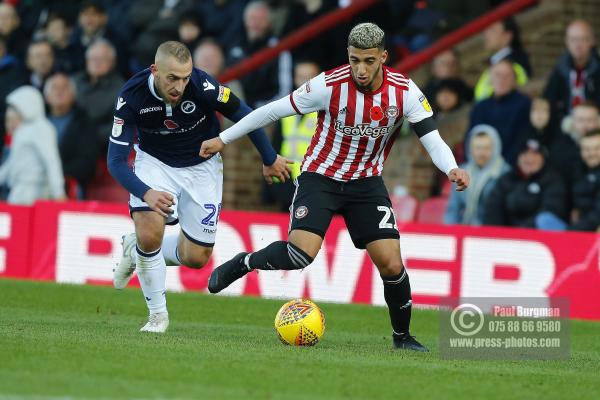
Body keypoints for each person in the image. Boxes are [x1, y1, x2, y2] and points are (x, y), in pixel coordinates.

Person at [200, 23, 469, 351]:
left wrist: (452, 167)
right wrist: (222, 138)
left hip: (366, 183)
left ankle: (403, 338)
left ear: (383, 57)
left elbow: (431, 136)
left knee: (391, 264)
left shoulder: (405, 92)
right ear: (348, 55)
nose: (360, 69)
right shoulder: (327, 85)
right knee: (300, 255)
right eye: (355, 60)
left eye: (369, 61)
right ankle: (245, 262)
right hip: (321, 177)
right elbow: (271, 111)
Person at [107, 41, 291, 333]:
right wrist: (146, 192)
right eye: (172, 78)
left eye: (185, 77)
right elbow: (115, 161)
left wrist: (269, 158)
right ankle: (157, 316)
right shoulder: (131, 96)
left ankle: (136, 250)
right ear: (155, 70)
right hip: (155, 163)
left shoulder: (203, 85)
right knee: (150, 231)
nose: (180, 86)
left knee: (196, 257)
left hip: (201, 167)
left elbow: (246, 114)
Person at [264, 60, 321, 211]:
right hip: (287, 181)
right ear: (295, 79)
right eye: (301, 77)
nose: (304, 83)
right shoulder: (286, 109)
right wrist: (269, 188)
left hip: (314, 182)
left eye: (309, 78)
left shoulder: (325, 111)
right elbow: (275, 147)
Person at [0, 86, 65, 204]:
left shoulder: (42, 128)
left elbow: (51, 160)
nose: (13, 112)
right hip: (17, 188)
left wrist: (58, 192)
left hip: (36, 190)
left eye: (16, 108)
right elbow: (12, 162)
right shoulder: (21, 131)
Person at [483, 137, 566, 229]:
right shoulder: (507, 179)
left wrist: (521, 234)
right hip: (506, 236)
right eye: (525, 154)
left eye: (535, 154)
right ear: (518, 157)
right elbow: (493, 209)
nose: (529, 159)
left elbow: (551, 211)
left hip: (538, 236)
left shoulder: (553, 180)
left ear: (543, 158)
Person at [44, 73, 99, 197]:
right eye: (55, 88)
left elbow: (87, 164)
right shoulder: (38, 122)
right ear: (46, 96)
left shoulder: (84, 123)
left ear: (73, 94)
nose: (59, 92)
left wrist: (55, 172)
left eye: (64, 88)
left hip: (69, 186)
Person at [467, 59, 531, 166]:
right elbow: (471, 139)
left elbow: (521, 140)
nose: (502, 80)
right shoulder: (480, 107)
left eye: (507, 76)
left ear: (514, 80)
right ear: (490, 79)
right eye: (497, 75)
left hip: (509, 166)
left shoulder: (524, 104)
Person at [444, 125, 509, 225]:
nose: (481, 153)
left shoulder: (505, 173)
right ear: (470, 149)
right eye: (477, 148)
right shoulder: (461, 172)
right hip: (463, 230)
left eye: (487, 148)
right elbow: (453, 210)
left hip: (492, 233)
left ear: (495, 148)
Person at [544, 20, 600, 121]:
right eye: (573, 39)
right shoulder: (560, 69)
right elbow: (548, 101)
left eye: (583, 39)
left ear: (592, 41)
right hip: (565, 125)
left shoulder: (598, 68)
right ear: (566, 42)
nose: (578, 45)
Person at [73, 39, 125, 144]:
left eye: (102, 59)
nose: (97, 62)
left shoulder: (121, 89)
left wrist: (89, 136)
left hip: (96, 145)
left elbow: (120, 126)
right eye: (93, 58)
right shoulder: (74, 81)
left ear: (112, 63)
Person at [474, 17, 531, 101]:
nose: (486, 33)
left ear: (507, 36)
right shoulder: (495, 63)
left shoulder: (515, 62)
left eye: (492, 30)